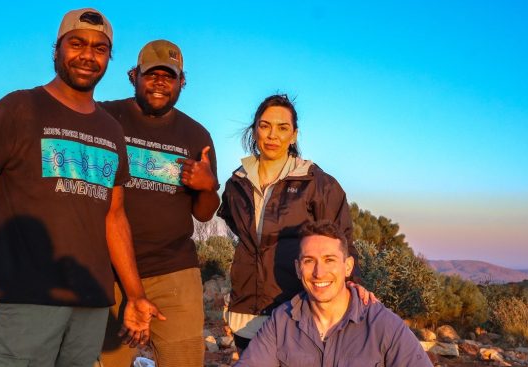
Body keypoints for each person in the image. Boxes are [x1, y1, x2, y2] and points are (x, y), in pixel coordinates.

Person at [0, 8, 163, 366]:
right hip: (27, 292)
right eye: (77, 43)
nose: (88, 55)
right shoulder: (19, 108)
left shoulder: (110, 129)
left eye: (100, 48)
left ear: (109, 58)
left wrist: (135, 295)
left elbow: (114, 216)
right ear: (56, 50)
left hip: (91, 297)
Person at [98, 39, 220, 367]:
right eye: (151, 75)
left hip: (174, 272)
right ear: (133, 76)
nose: (160, 83)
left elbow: (204, 213)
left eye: (169, 76)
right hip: (109, 270)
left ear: (182, 82)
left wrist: (208, 187)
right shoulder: (105, 117)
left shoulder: (196, 136)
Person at [217, 94, 369, 351]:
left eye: (282, 127)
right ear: (254, 131)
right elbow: (240, 230)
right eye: (265, 126)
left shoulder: (318, 184)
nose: (272, 135)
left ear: (294, 135)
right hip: (247, 314)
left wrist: (353, 284)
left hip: (298, 310)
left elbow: (341, 241)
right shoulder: (236, 184)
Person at [235, 221, 432, 366]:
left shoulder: (384, 326)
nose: (319, 272)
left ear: (347, 267)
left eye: (329, 260)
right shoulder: (281, 322)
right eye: (309, 261)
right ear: (297, 268)